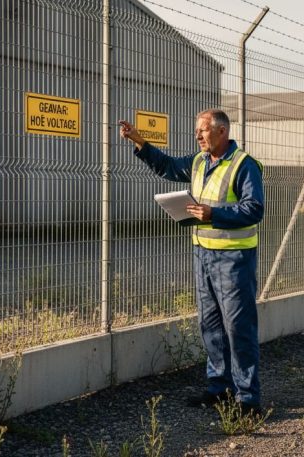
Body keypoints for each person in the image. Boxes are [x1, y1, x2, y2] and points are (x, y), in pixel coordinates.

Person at [118, 109, 265, 413]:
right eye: (197, 131)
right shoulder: (199, 162)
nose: (198, 136)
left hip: (234, 259)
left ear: (221, 131)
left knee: (238, 328)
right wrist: (140, 142)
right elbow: (169, 167)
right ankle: (219, 388)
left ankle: (248, 399)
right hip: (203, 256)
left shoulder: (244, 165)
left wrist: (215, 214)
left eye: (203, 130)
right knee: (210, 326)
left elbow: (254, 208)